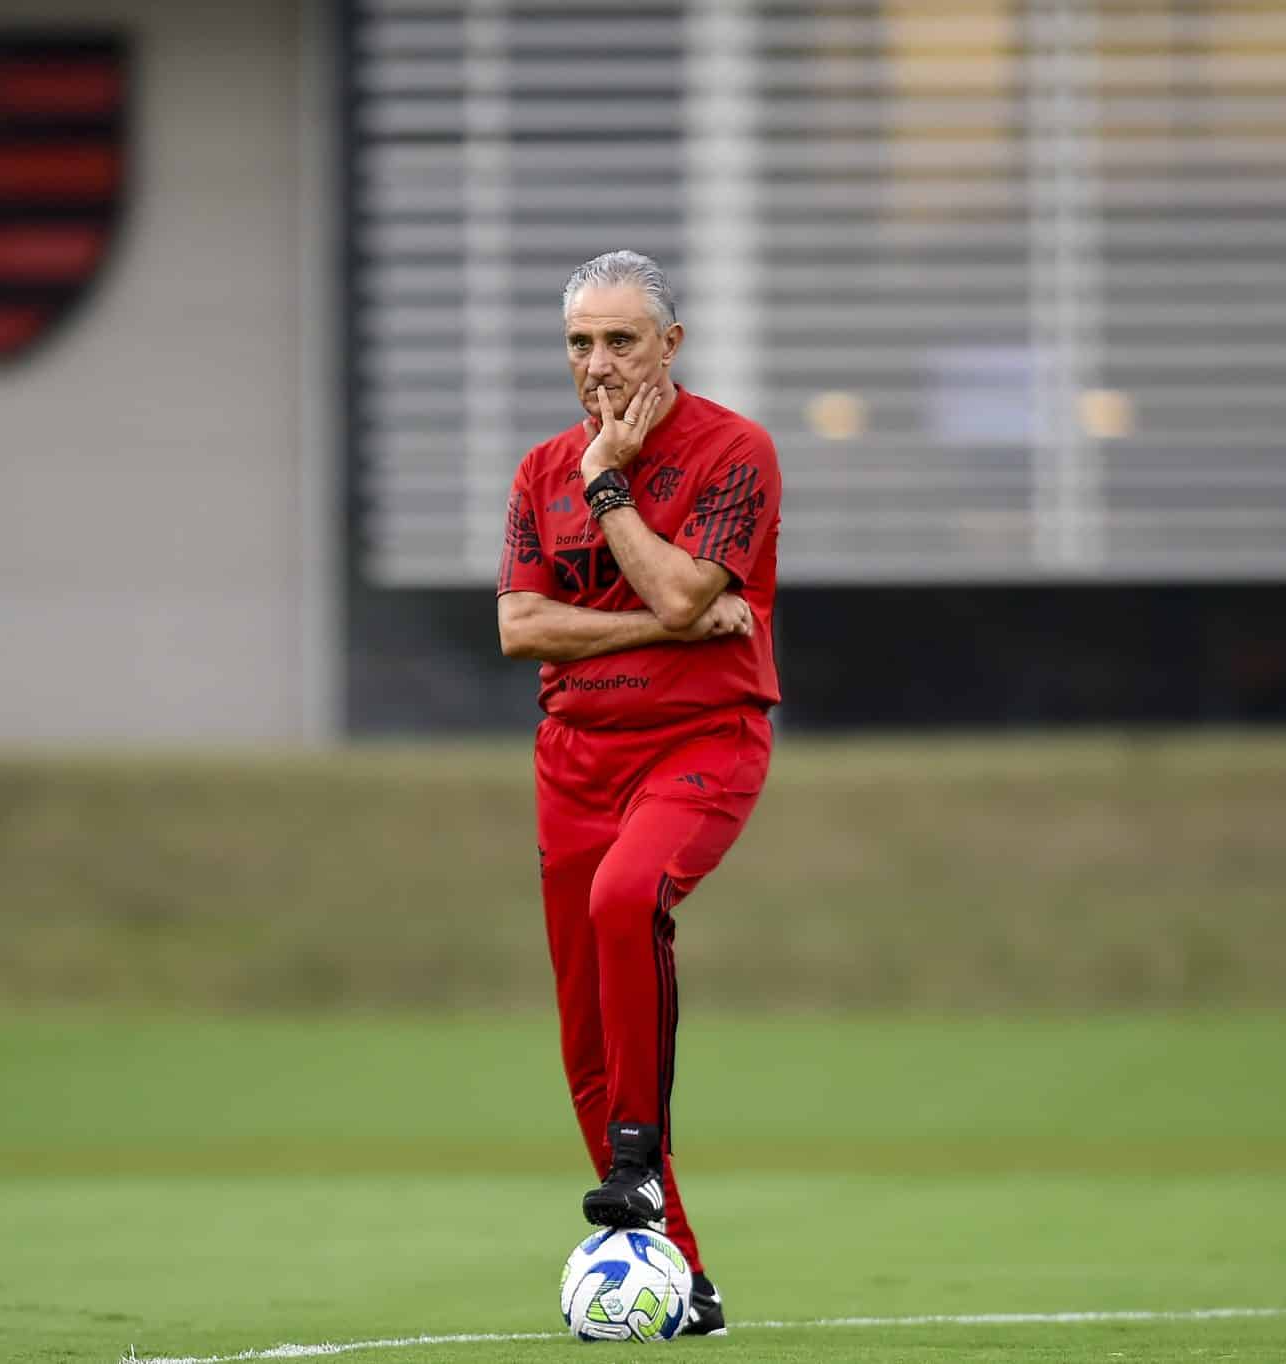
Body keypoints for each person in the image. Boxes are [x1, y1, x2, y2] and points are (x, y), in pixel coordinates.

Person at [496, 249, 781, 1339]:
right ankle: (684, 1278)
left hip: (699, 742)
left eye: (621, 339)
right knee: (583, 1041)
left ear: (671, 342)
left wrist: (609, 484)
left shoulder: (731, 453)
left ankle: (631, 1162)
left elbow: (679, 586)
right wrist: (657, 623)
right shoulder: (534, 471)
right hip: (572, 757)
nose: (599, 363)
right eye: (579, 343)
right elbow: (521, 627)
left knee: (627, 898)